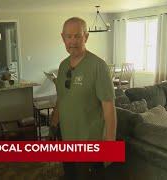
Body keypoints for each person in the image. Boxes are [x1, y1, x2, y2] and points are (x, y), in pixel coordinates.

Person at [50, 17, 117, 179]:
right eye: (69, 36)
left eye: (77, 36)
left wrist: (110, 146)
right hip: (67, 138)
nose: (73, 41)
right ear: (63, 38)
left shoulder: (98, 66)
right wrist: (53, 123)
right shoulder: (63, 65)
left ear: (86, 37)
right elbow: (62, 98)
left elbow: (109, 108)